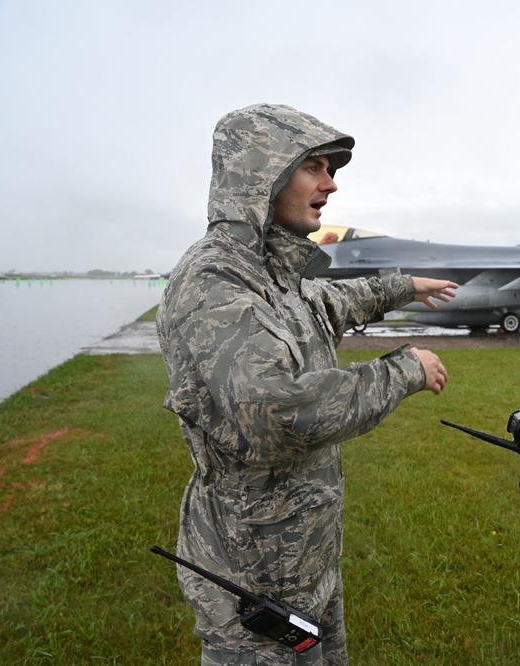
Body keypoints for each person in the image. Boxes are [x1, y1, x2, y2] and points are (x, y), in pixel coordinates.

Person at [156, 103, 457, 665]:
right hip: (253, 585)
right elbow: (276, 413)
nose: (331, 183)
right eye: (313, 167)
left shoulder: (275, 274)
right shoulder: (213, 282)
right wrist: (405, 368)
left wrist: (403, 286)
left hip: (307, 564)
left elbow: (330, 301)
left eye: (330, 169)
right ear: (261, 176)